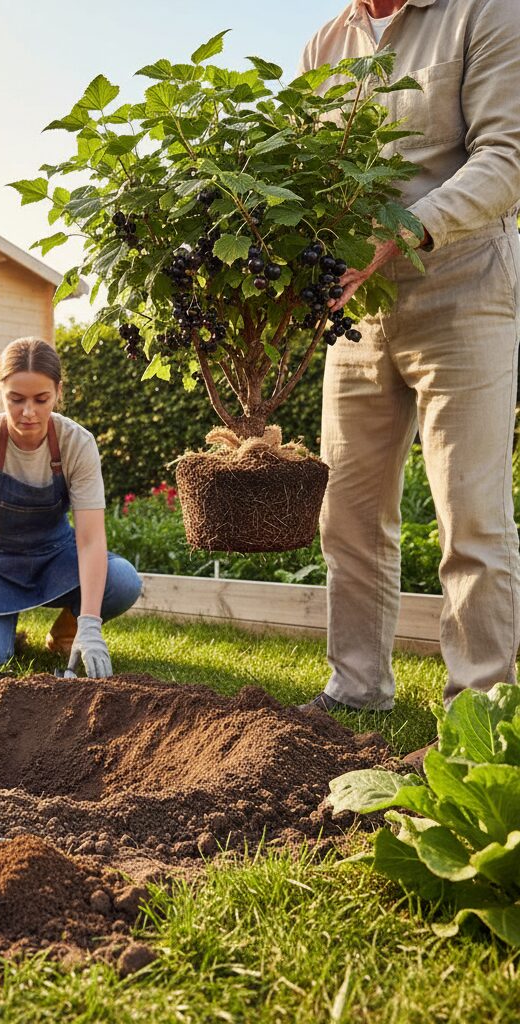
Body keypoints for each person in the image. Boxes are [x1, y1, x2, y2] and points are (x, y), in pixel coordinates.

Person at [296, 0, 520, 742]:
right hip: (358, 304)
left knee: (472, 515)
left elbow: (506, 155)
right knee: (350, 514)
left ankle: (479, 713)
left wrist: (398, 234)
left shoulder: (486, 13)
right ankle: (357, 687)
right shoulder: (326, 45)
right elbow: (301, 178)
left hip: (463, 289)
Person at [0, 337, 143, 682]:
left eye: (41, 399)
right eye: (16, 399)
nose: (29, 412)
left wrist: (91, 623)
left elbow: (91, 540)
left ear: (58, 392)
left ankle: (68, 634)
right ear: (0, 391)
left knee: (123, 580)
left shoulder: (76, 443)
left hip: (55, 558)